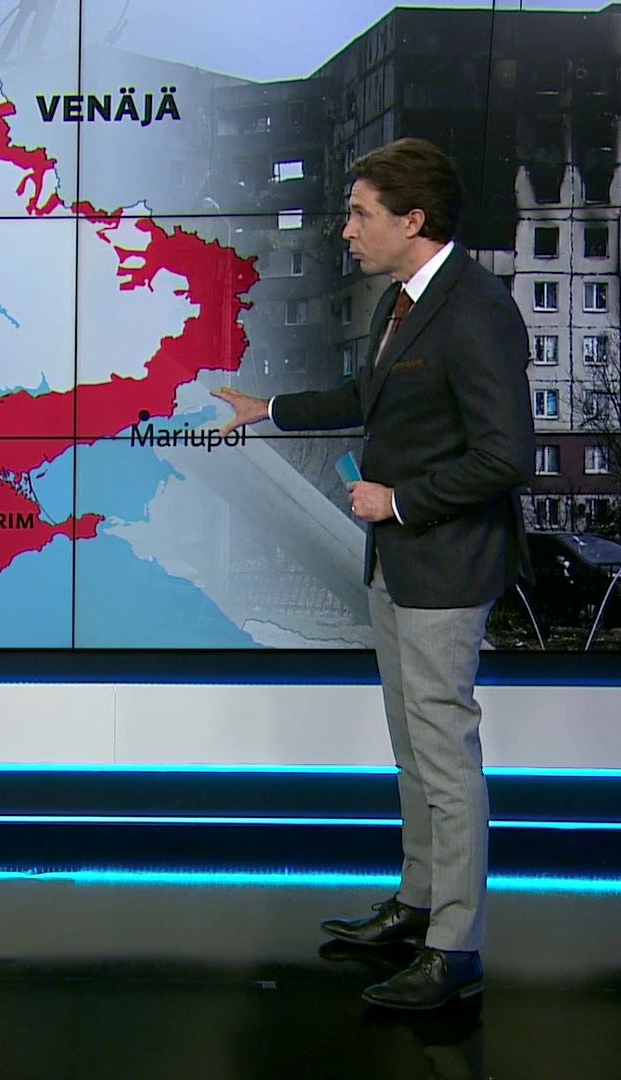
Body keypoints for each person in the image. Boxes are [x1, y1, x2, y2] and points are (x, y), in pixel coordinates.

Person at [213, 138, 532, 1010]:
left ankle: (455, 950)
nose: (347, 230)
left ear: (412, 219)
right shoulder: (399, 302)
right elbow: (367, 398)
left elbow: (506, 455)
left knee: (445, 753)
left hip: (445, 563)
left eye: (360, 214)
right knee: (412, 746)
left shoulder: (478, 309)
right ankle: (418, 902)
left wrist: (399, 501)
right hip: (397, 563)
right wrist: (267, 409)